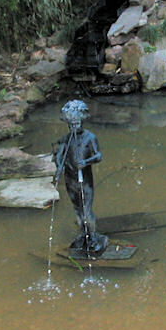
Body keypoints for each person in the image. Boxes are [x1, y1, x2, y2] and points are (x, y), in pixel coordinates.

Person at [54, 99, 108, 254]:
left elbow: (98, 156)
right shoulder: (66, 138)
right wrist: (59, 167)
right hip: (70, 178)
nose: (73, 127)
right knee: (77, 210)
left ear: (82, 122)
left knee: (86, 210)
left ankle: (92, 237)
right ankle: (83, 235)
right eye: (71, 125)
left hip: (84, 179)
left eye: (76, 124)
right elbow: (60, 155)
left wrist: (85, 161)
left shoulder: (90, 137)